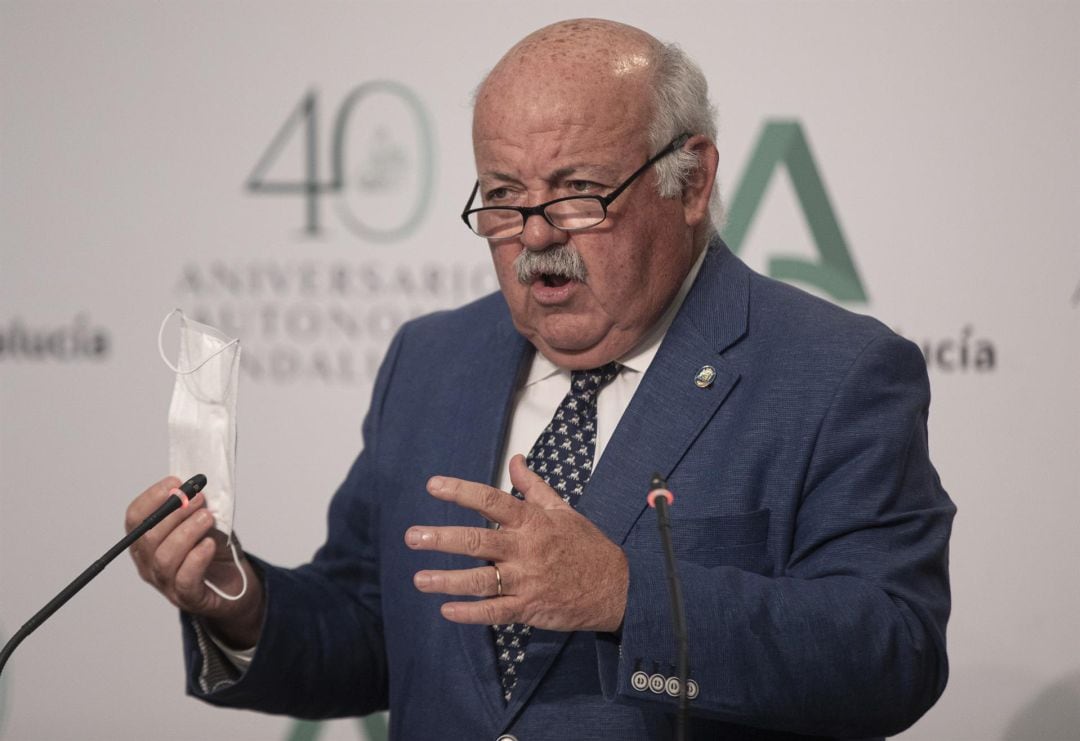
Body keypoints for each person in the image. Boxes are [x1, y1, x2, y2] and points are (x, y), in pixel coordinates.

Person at [126, 18, 955, 740]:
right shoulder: (433, 360)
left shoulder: (834, 371)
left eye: (578, 193)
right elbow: (379, 630)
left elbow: (894, 652)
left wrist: (630, 596)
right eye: (503, 197)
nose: (533, 236)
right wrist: (237, 601)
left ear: (691, 180)